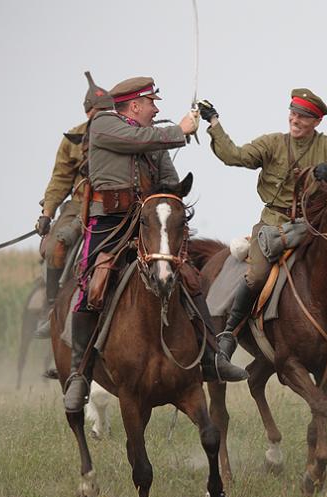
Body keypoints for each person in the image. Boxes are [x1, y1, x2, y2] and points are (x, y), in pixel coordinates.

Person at [63, 76, 248, 413]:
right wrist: (179, 130)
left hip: (147, 222)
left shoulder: (148, 137)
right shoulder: (105, 124)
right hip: (109, 222)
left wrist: (174, 199)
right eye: (151, 102)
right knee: (93, 281)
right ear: (134, 105)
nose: (156, 108)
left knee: (189, 276)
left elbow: (167, 182)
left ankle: (210, 358)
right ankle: (80, 372)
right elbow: (140, 138)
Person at [196, 89, 327, 368]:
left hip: (312, 228)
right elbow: (236, 156)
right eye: (293, 113)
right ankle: (229, 334)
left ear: (316, 122)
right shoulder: (272, 144)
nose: (296, 119)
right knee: (256, 276)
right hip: (272, 226)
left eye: (303, 116)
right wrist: (214, 123)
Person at [34, 72, 114, 339]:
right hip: (80, 203)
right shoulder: (72, 140)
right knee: (57, 246)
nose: (102, 117)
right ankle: (52, 309)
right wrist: (47, 213)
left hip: (115, 204)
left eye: (107, 111)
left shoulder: (123, 133)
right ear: (89, 112)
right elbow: (60, 180)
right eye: (98, 112)